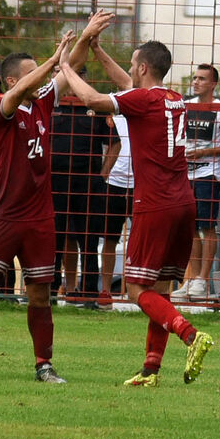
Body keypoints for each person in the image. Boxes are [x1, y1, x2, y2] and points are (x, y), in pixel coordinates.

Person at [0, 9, 111, 384]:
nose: (44, 75)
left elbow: (71, 67)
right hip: (2, 215)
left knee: (40, 296)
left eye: (44, 69)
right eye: (32, 70)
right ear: (11, 80)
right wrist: (56, 60)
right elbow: (33, 83)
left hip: (39, 218)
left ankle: (43, 364)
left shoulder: (43, 103)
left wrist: (85, 35)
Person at [59, 35, 215, 387]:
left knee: (133, 289)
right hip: (183, 201)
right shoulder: (172, 98)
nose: (129, 69)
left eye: (133, 64)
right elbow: (126, 85)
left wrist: (65, 67)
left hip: (155, 203)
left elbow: (92, 99)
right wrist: (98, 50)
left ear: (144, 67)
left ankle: (191, 335)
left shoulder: (142, 100)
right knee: (159, 290)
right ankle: (150, 370)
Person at [172, 64, 220, 301]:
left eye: (202, 79)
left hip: (208, 175)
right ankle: (191, 281)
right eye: (195, 78)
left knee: (207, 226)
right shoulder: (186, 106)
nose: (197, 82)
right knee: (188, 228)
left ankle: (203, 279)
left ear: (213, 84)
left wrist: (205, 152)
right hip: (184, 175)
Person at [49, 65, 113, 306]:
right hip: (55, 181)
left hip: (87, 181)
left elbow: (113, 143)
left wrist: (103, 173)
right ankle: (52, 289)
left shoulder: (94, 105)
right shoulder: (49, 103)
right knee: (53, 238)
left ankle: (87, 293)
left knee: (88, 238)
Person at [97, 112, 133, 310]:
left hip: (140, 183)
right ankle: (106, 291)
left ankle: (137, 290)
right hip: (115, 182)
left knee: (140, 240)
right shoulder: (112, 113)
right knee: (109, 239)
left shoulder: (145, 110)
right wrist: (104, 175)